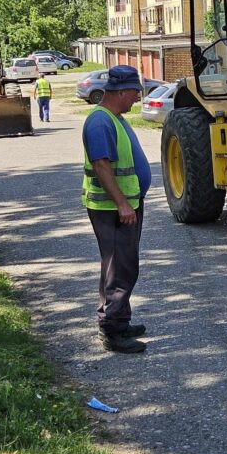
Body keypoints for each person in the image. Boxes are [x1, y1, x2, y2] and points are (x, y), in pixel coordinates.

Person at [82, 65, 151, 354]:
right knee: (120, 269)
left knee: (117, 266)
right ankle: (113, 330)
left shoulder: (114, 117)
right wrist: (122, 203)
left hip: (124, 206)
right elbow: (101, 165)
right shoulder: (100, 122)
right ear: (120, 91)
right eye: (135, 92)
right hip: (113, 209)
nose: (137, 98)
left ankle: (117, 319)